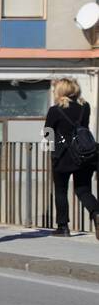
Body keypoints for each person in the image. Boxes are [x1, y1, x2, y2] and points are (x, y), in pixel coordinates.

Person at [44, 77, 99, 239]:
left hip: (63, 157)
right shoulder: (85, 107)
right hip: (84, 155)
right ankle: (96, 212)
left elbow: (48, 133)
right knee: (83, 190)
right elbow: (84, 128)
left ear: (60, 91)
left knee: (61, 191)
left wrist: (52, 150)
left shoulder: (55, 110)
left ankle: (63, 227)